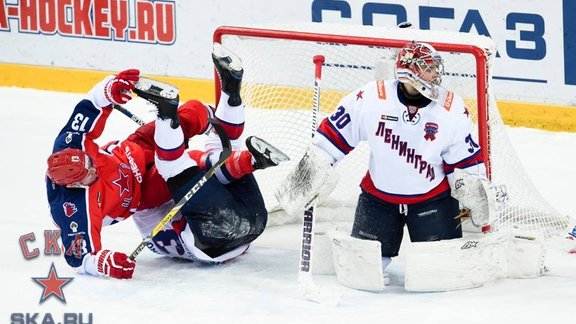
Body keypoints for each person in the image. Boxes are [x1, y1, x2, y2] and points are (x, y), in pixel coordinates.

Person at [46, 43, 288, 279]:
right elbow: (79, 257)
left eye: (90, 160)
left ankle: (191, 118)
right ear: (75, 185)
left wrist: (110, 89)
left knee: (193, 117)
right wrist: (102, 263)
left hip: (134, 149)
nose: (94, 166)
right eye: (89, 172)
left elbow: (91, 104)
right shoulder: (72, 209)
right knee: (195, 163)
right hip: (144, 193)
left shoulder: (69, 145)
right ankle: (187, 122)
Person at [277, 41, 488, 276]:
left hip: (433, 202)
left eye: (436, 67)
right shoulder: (371, 98)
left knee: (440, 272)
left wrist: (476, 190)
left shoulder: (452, 110)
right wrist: (313, 168)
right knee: (363, 271)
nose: (436, 73)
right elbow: (333, 137)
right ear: (409, 72)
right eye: (428, 67)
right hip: (379, 200)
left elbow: (465, 161)